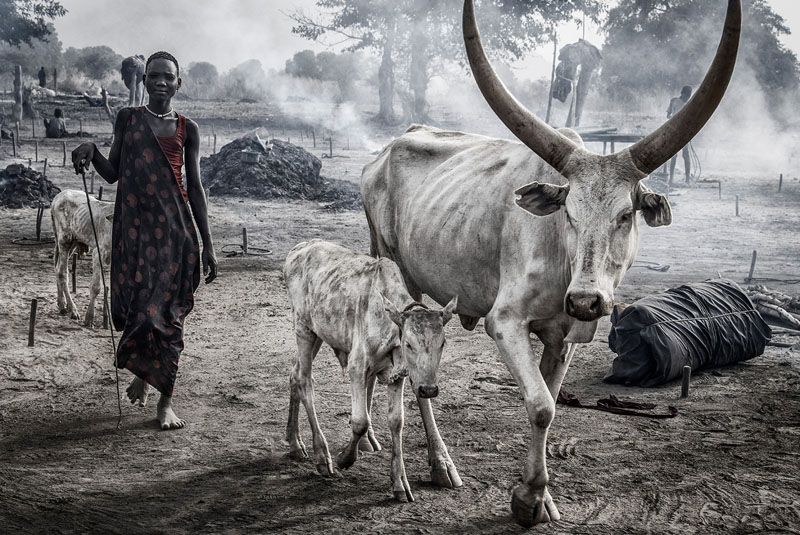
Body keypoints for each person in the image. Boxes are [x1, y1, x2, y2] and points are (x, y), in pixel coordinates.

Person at [72, 51, 217, 430]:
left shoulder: (188, 128)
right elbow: (112, 173)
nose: (160, 82)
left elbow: (196, 188)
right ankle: (144, 371)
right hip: (135, 236)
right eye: (154, 76)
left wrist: (208, 244)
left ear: (178, 84)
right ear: (144, 80)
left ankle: (164, 403)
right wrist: (91, 149)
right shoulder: (128, 119)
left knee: (168, 318)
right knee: (140, 310)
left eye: (168, 77)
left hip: (176, 236)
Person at [667, 85, 693, 185]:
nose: (687, 98)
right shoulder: (674, 101)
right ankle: (671, 179)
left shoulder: (689, 104)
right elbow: (668, 115)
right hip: (674, 131)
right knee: (673, 155)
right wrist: (673, 118)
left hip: (684, 132)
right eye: (686, 95)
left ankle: (687, 179)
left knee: (686, 155)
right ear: (682, 93)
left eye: (688, 96)